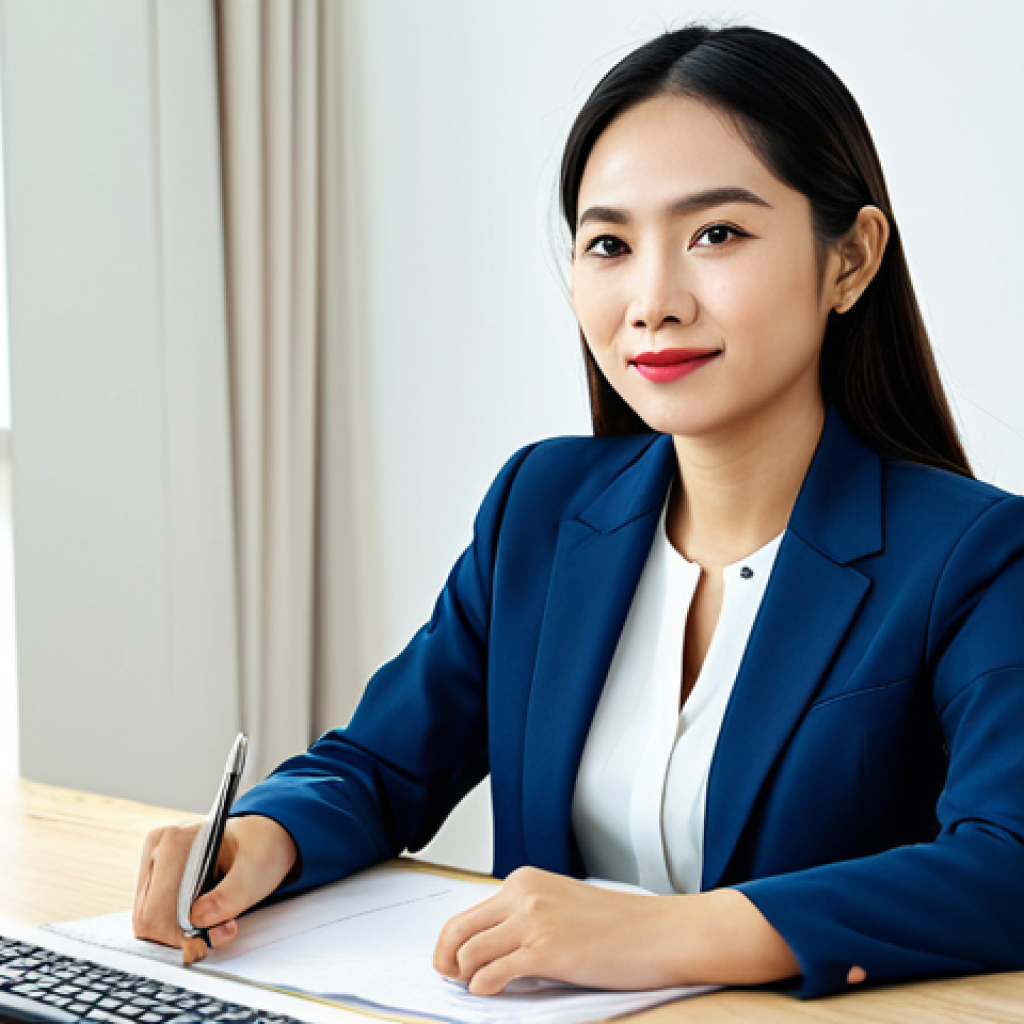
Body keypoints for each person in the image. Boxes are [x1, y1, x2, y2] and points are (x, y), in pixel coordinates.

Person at [133, 24, 1024, 1000]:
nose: (652, 300)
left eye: (714, 234)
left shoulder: (974, 555)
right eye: (608, 244)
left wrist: (673, 935)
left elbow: (1005, 865)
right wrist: (265, 837)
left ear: (849, 260)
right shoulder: (542, 507)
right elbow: (380, 765)